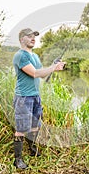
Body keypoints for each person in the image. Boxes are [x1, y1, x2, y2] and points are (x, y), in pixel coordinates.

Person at [12, 28, 65, 169]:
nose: (33, 38)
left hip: (36, 96)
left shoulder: (34, 56)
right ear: (21, 39)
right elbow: (34, 73)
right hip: (23, 97)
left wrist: (54, 65)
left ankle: (32, 149)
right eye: (29, 36)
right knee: (21, 128)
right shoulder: (21, 56)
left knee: (35, 126)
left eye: (34, 36)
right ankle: (17, 160)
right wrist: (53, 67)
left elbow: (42, 74)